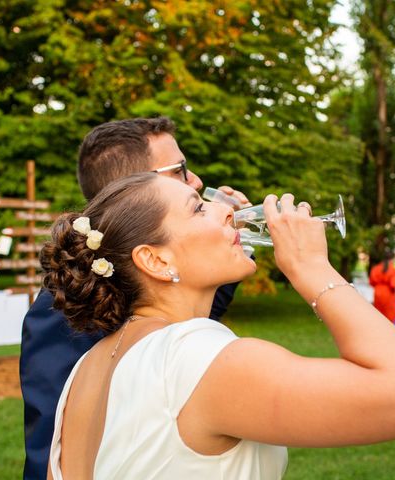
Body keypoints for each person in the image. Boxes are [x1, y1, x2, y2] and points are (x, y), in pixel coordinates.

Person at [41, 174, 395, 479]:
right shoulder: (195, 357)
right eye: (199, 208)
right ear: (155, 260)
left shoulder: (87, 369)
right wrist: (311, 269)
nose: (227, 209)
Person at [20, 117, 251, 478]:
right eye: (180, 170)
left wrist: (224, 248)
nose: (196, 181)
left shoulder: (141, 274)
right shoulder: (63, 309)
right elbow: (55, 442)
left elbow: (186, 324)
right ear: (132, 187)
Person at [369, 251, 395, 322]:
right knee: (389, 319)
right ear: (392, 259)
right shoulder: (393, 270)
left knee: (378, 317)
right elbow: (393, 285)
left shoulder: (375, 268)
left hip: (377, 292)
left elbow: (371, 282)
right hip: (388, 294)